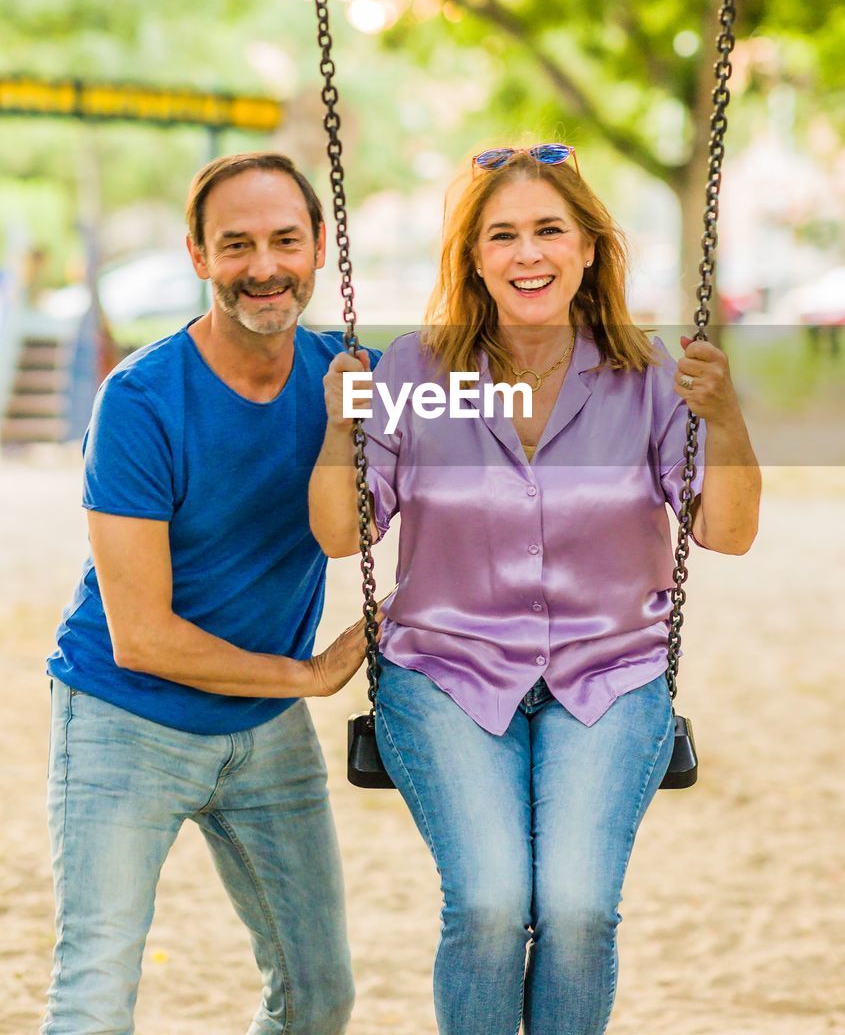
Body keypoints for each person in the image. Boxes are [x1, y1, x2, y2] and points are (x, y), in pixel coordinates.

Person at [309, 144, 761, 1035]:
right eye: (502, 235)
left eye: (549, 230)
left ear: (588, 245)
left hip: (608, 675)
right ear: (472, 258)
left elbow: (727, 532)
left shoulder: (649, 378)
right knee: (486, 904)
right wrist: (337, 427)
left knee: (577, 912)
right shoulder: (413, 373)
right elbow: (341, 533)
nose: (528, 255)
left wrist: (728, 416)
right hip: (445, 674)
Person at [43, 152, 379, 1035]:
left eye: (284, 240)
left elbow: (504, 410)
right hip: (127, 718)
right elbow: (141, 637)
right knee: (95, 992)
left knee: (319, 996)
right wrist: (304, 677)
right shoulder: (141, 401)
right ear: (197, 255)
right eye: (236, 245)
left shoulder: (356, 378)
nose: (263, 266)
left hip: (262, 730)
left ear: (316, 250)